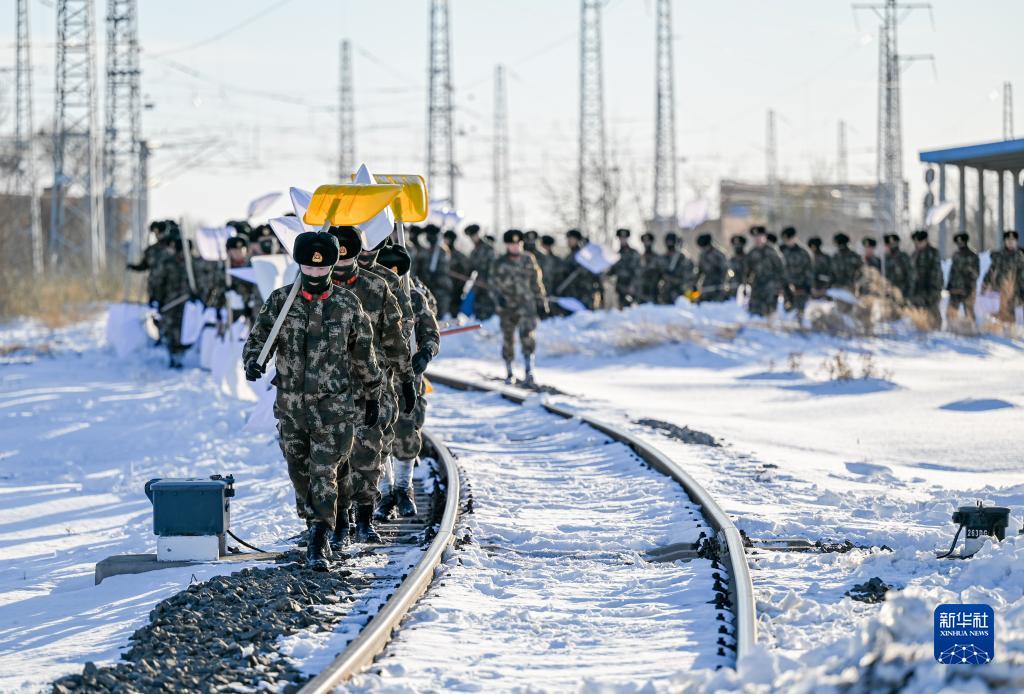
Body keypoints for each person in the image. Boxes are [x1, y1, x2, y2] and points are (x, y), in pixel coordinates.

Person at [242, 231, 382, 571]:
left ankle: (320, 537)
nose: (315, 273)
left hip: (334, 407)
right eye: (308, 267)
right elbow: (260, 339)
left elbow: (364, 352)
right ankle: (326, 522)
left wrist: (373, 392)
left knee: (325, 471)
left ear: (332, 266)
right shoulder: (280, 301)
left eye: (322, 268)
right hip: (291, 406)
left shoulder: (347, 304)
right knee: (300, 471)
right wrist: (253, 361)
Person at [328, 227, 416, 547]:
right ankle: (340, 521)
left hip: (371, 385)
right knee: (334, 457)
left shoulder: (377, 286)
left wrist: (405, 378)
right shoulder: (314, 287)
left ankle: (364, 518)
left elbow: (395, 337)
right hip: (328, 386)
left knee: (368, 452)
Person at [379, 243, 440, 518]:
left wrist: (425, 354)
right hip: (375, 378)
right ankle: (383, 491)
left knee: (406, 434)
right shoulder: (368, 295)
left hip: (406, 377)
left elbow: (430, 332)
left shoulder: (413, 298)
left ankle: (404, 489)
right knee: (375, 437)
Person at [490, 229, 548, 385]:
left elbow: (537, 283)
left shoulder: (529, 260)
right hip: (507, 308)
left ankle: (529, 370)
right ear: (507, 245)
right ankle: (509, 371)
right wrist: (498, 300)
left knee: (527, 336)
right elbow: (493, 286)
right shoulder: (499, 263)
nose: (515, 247)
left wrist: (542, 303)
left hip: (526, 306)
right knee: (508, 338)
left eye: (518, 244)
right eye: (512, 244)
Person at [147, 236, 193, 368]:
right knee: (170, 330)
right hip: (170, 304)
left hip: (188, 304)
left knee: (185, 330)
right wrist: (156, 299)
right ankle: (173, 355)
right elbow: (158, 283)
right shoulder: (168, 264)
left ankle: (182, 354)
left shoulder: (193, 264)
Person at [982, 230, 1024, 324]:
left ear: (1016, 242)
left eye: (1012, 240)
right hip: (999, 290)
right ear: (1005, 241)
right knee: (1001, 311)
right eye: (1008, 240)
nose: (1010, 242)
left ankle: (1010, 332)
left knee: (1011, 313)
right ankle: (998, 330)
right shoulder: (999, 255)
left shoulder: (1020, 256)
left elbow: (1022, 275)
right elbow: (991, 271)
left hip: (1015, 290)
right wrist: (985, 284)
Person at [555, 229, 602, 309]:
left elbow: (595, 272)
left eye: (571, 239)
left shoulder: (585, 254)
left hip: (585, 292)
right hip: (572, 293)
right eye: (568, 239)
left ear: (577, 240)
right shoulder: (569, 257)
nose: (569, 241)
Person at [744, 226, 784, 317]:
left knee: (769, 312)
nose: (757, 239)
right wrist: (745, 285)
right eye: (755, 237)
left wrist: (780, 287)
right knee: (754, 312)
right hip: (756, 287)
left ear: (765, 237)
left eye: (759, 236)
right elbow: (747, 271)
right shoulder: (752, 253)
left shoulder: (773, 252)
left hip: (771, 287)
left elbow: (781, 270)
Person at [414, 225, 452, 317]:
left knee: (439, 312)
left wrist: (435, 276)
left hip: (439, 287)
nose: (427, 237)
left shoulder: (442, 250)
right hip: (427, 285)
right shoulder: (426, 250)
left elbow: (444, 269)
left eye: (429, 235)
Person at [909, 229, 943, 330]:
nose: (917, 244)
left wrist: (934, 290)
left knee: (933, 312)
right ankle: (920, 329)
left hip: (931, 289)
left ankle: (936, 332)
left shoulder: (932, 253)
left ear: (925, 241)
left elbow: (936, 273)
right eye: (916, 242)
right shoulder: (914, 254)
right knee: (919, 314)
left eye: (919, 242)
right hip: (918, 290)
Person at [464, 224, 496, 320]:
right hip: (479, 281)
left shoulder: (489, 248)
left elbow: (493, 267)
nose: (473, 238)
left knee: (488, 302)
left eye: (474, 235)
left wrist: (487, 281)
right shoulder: (474, 251)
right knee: (473, 301)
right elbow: (471, 267)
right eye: (471, 237)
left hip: (490, 281)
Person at [946, 232, 980, 324]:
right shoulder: (955, 255)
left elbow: (976, 274)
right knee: (951, 313)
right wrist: (949, 285)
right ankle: (952, 329)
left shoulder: (973, 255)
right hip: (955, 289)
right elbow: (952, 271)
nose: (960, 244)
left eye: (962, 242)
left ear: (966, 242)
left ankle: (972, 331)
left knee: (969, 313)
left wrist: (969, 287)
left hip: (968, 289)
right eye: (958, 243)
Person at [779, 227, 812, 318]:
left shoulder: (803, 253)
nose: (788, 241)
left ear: (795, 238)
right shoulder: (781, 251)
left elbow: (809, 271)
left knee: (799, 314)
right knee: (786, 313)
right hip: (786, 289)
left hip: (800, 289)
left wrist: (807, 288)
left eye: (789, 239)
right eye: (785, 239)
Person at [660, 232, 696, 303]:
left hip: (683, 292)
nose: (669, 244)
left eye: (671, 242)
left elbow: (689, 278)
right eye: (668, 242)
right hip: (667, 293)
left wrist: (672, 279)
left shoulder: (684, 258)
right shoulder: (663, 258)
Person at [609, 228, 641, 308]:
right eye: (621, 238)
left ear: (627, 238)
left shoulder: (634, 253)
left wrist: (633, 286)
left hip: (631, 288)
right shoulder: (616, 255)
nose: (622, 240)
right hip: (620, 288)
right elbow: (612, 271)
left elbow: (638, 271)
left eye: (624, 238)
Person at [694, 233, 728, 303]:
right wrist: (695, 284)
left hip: (718, 287)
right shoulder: (702, 255)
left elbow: (725, 271)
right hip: (706, 287)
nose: (703, 249)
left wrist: (721, 284)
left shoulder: (719, 254)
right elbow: (699, 271)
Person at [443, 229, 469, 317]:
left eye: (449, 239)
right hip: (443, 289)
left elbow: (465, 271)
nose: (446, 241)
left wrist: (460, 285)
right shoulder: (441, 253)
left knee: (454, 311)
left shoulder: (459, 256)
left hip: (456, 288)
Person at [882, 234, 914, 304]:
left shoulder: (904, 258)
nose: (885, 248)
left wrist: (907, 297)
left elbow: (911, 278)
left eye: (887, 246)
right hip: (889, 297)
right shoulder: (886, 259)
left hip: (902, 296)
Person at [634, 232, 661, 304]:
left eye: (648, 241)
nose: (646, 243)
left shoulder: (658, 258)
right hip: (641, 293)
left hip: (654, 292)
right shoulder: (639, 258)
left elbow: (661, 274)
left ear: (652, 242)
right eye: (645, 241)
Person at [536, 234, 561, 304]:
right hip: (539, 292)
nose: (545, 248)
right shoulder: (535, 259)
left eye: (547, 246)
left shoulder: (557, 260)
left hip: (553, 292)